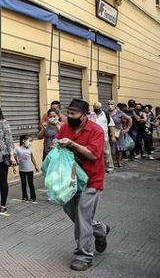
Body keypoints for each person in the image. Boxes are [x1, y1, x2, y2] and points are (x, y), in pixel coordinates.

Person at [56, 99, 109, 272]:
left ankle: (84, 256)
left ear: (84, 115)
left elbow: (93, 155)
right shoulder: (65, 128)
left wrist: (72, 144)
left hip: (91, 180)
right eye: (68, 112)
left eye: (73, 113)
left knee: (82, 215)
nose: (69, 116)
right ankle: (99, 229)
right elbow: (57, 146)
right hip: (69, 179)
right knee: (73, 213)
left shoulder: (96, 130)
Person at [92, 102, 115, 173]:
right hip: (94, 138)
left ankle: (110, 167)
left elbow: (111, 126)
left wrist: (113, 136)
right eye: (95, 109)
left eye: (98, 109)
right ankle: (98, 168)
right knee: (95, 153)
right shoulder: (91, 115)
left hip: (104, 137)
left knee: (107, 152)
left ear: (101, 108)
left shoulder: (106, 115)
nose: (97, 110)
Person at [15, 135, 39, 203]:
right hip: (22, 170)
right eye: (29, 141)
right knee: (23, 183)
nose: (30, 143)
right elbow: (14, 157)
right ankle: (24, 196)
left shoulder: (30, 148)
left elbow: (32, 157)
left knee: (31, 183)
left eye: (31, 141)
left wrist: (36, 165)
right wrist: (14, 166)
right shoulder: (17, 149)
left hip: (30, 169)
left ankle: (33, 197)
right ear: (23, 141)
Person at [109, 101, 132, 168]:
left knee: (119, 148)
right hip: (109, 131)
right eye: (109, 104)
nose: (110, 105)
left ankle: (119, 162)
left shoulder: (119, 112)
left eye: (111, 104)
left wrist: (127, 129)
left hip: (118, 131)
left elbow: (130, 119)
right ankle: (112, 162)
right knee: (111, 147)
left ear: (114, 105)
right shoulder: (107, 112)